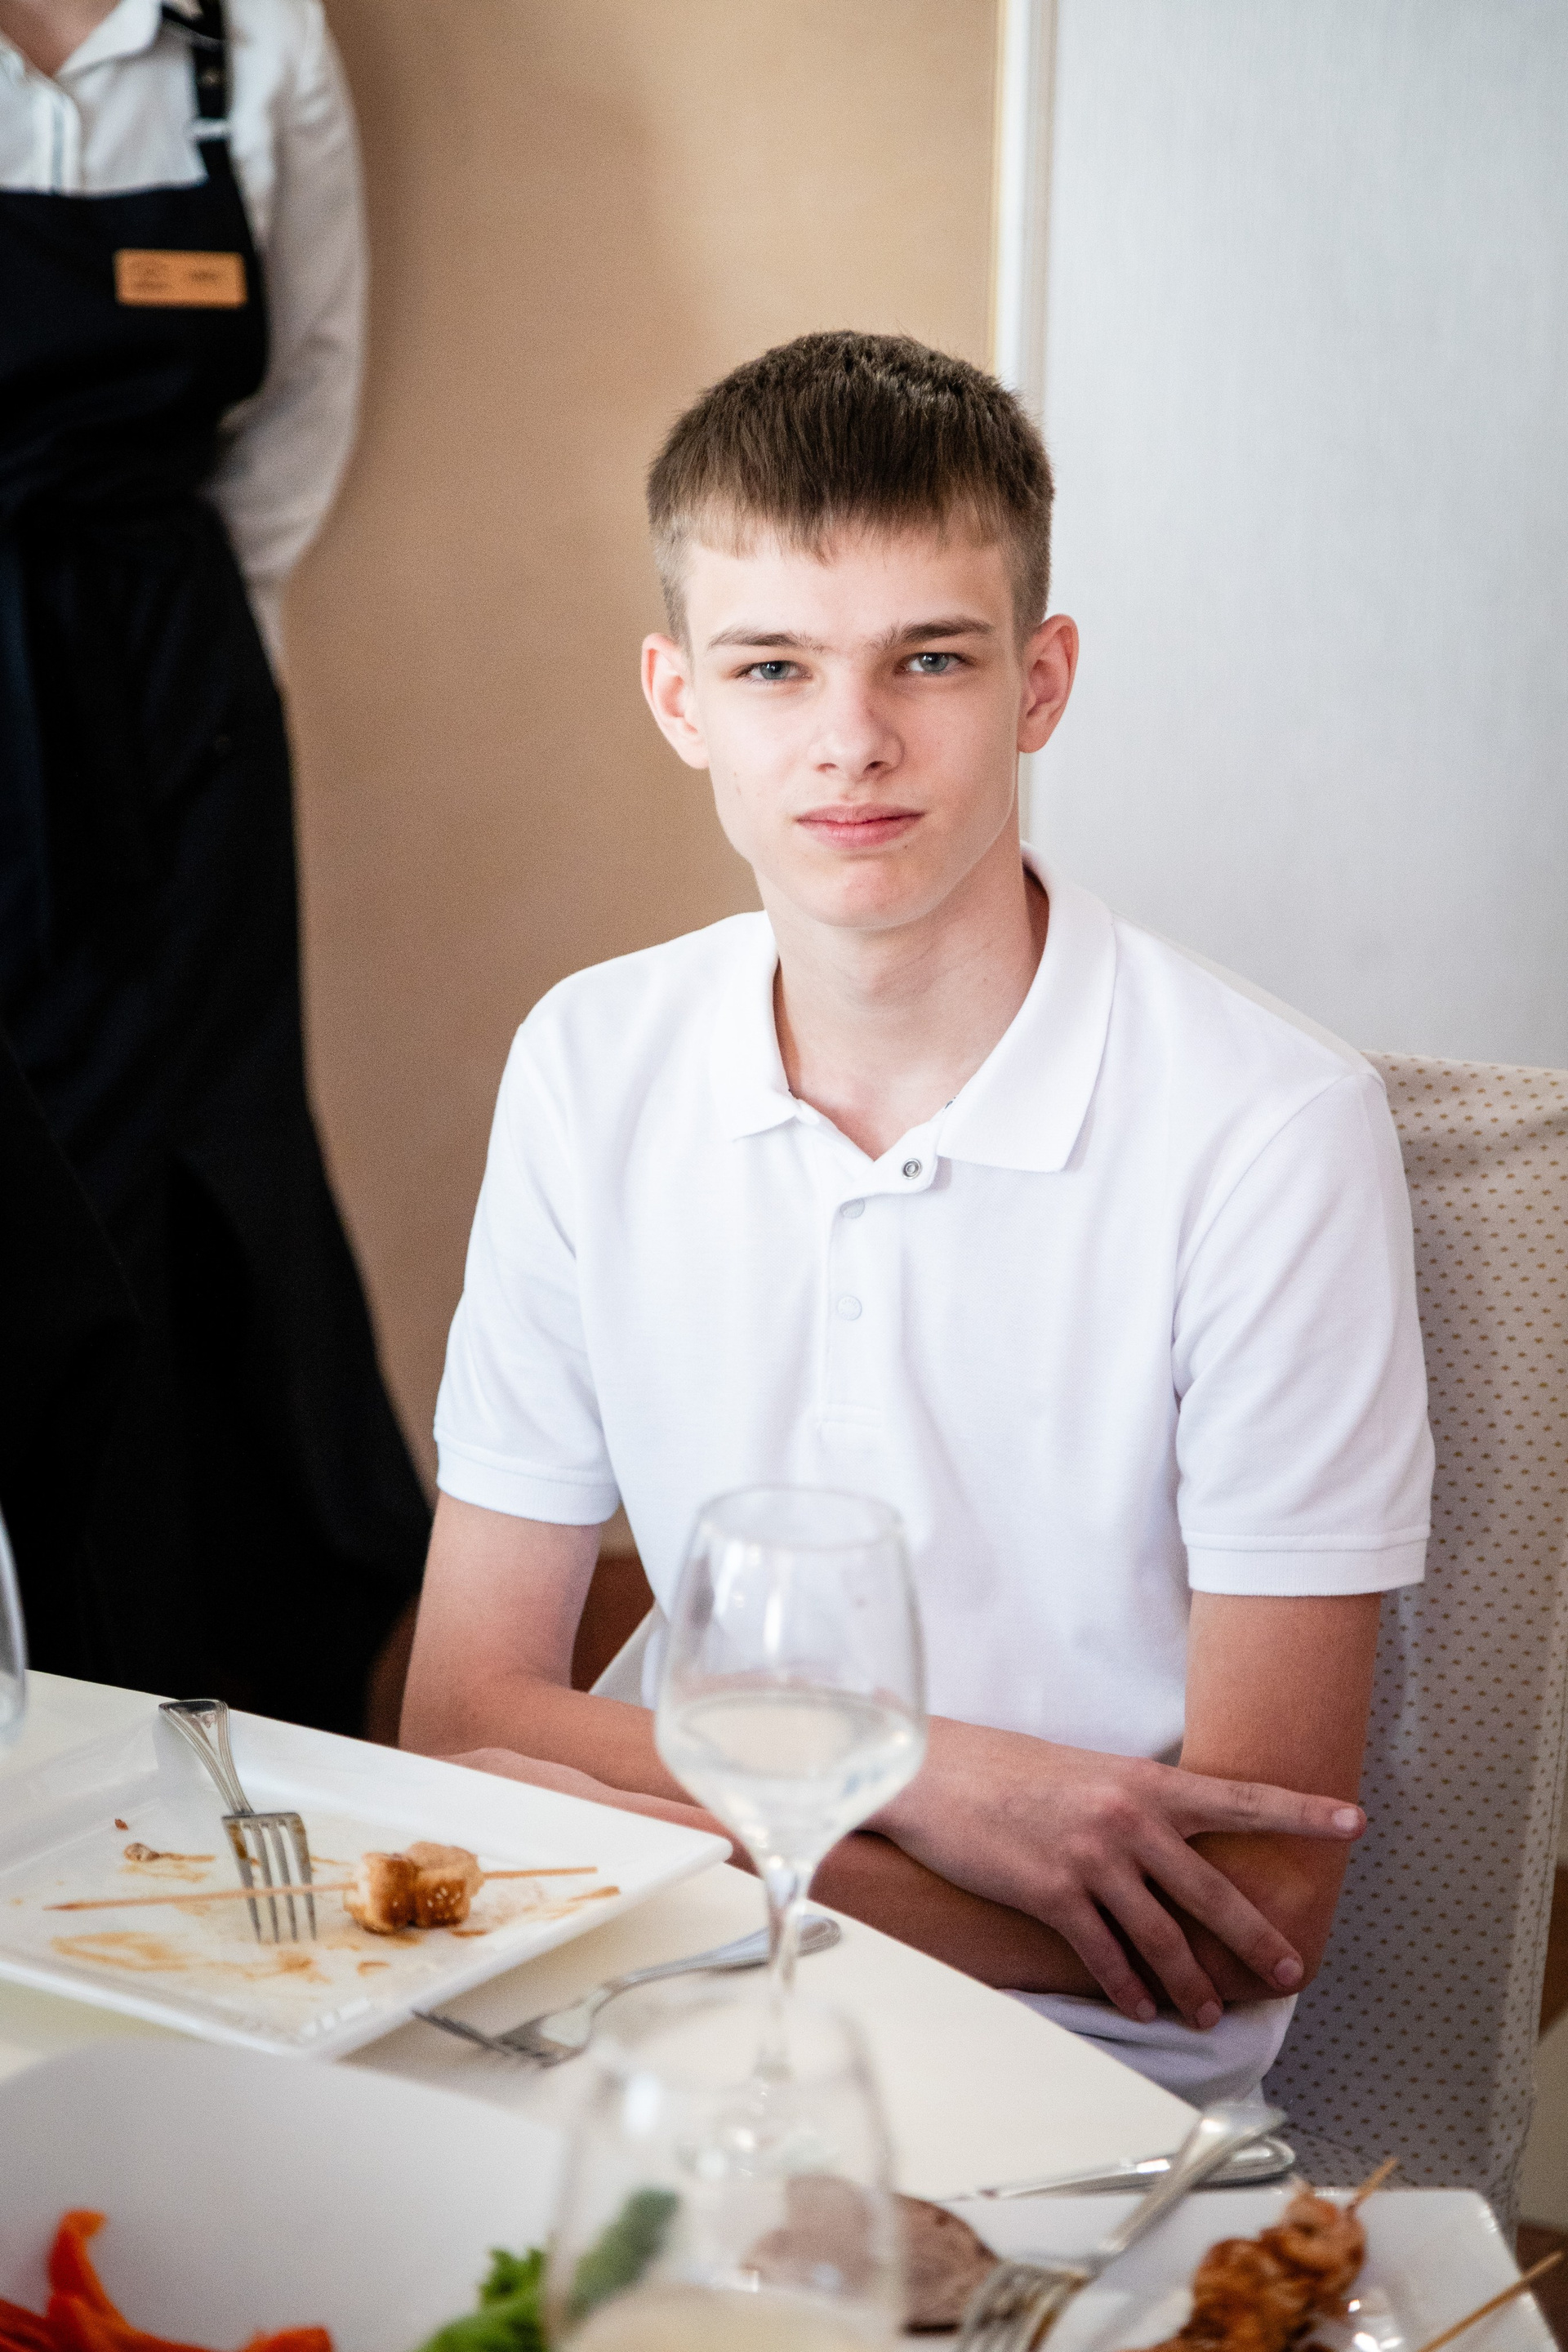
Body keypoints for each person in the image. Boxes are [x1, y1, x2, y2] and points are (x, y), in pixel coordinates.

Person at [399, 332, 1433, 2101]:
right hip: (621, 2012)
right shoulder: (590, 1057)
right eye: (773, 667)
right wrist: (929, 1773)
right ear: (680, 700)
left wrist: (643, 1824)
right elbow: (462, 1716)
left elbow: (1250, 1915)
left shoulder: (1273, 1132)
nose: (851, 742)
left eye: (929, 659)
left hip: (1073, 2076)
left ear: (1042, 680)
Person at [0, 0, 429, 1729]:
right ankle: (60, 1664)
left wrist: (193, 651)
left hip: (172, 687)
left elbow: (308, 382)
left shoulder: (252, 36)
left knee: (207, 1151)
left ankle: (229, 1666)